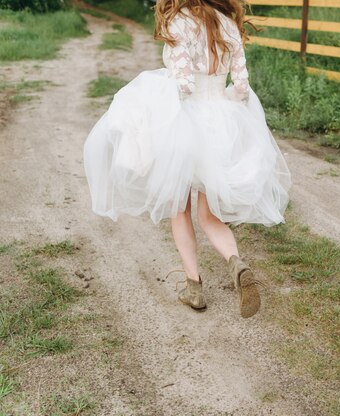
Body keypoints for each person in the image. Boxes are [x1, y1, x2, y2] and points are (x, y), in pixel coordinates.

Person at [83, 0, 291, 318]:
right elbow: (242, 88)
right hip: (222, 122)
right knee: (210, 217)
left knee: (179, 210)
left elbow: (182, 85)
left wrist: (153, 115)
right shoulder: (227, 23)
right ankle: (237, 263)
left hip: (187, 122)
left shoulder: (179, 22)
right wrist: (224, 103)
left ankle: (194, 288)